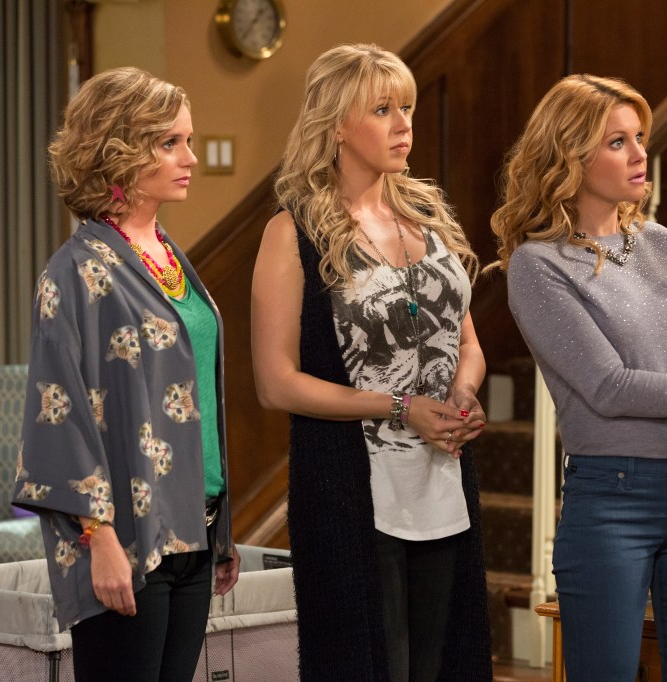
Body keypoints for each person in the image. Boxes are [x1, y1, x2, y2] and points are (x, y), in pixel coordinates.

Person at [490, 75, 667, 681]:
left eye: (640, 136)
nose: (641, 153)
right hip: (613, 499)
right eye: (616, 141)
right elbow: (609, 387)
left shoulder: (659, 241)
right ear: (569, 155)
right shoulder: (538, 265)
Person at [250, 43, 492, 681]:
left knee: (446, 665)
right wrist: (399, 406)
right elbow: (275, 384)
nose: (404, 124)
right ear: (335, 125)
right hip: (351, 487)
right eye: (383, 109)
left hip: (444, 482)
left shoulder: (430, 218)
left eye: (407, 107)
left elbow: (467, 342)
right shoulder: (292, 231)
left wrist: (464, 393)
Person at [13, 67, 239, 682]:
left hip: (196, 526)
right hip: (128, 541)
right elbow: (58, 414)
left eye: (187, 140)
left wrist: (221, 532)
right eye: (170, 143)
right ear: (119, 149)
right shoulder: (76, 271)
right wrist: (100, 539)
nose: (190, 157)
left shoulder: (170, 256)